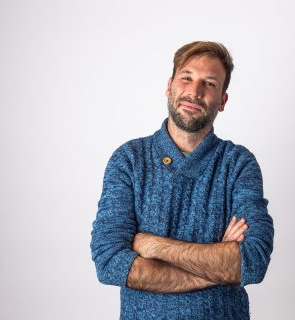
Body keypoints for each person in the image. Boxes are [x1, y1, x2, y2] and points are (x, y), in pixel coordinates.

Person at [90, 41, 274, 320]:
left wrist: (155, 246)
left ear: (222, 100)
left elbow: (253, 262)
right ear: (169, 86)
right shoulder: (129, 159)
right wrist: (217, 267)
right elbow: (110, 262)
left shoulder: (238, 164)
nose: (194, 92)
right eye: (186, 78)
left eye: (209, 83)